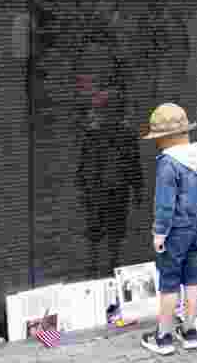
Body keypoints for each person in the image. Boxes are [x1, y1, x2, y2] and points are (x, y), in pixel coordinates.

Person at [139, 103, 197, 356]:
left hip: (175, 231)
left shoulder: (167, 163)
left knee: (170, 282)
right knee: (193, 277)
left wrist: (159, 233)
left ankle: (162, 337)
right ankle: (190, 331)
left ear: (164, 138)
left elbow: (164, 204)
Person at [74, 82, 143, 278]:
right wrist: (137, 189)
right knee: (107, 231)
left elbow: (132, 163)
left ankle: (98, 266)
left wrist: (81, 185)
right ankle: (104, 266)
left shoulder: (97, 134)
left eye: (99, 110)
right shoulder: (107, 134)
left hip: (104, 190)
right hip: (108, 190)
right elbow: (133, 165)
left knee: (103, 231)